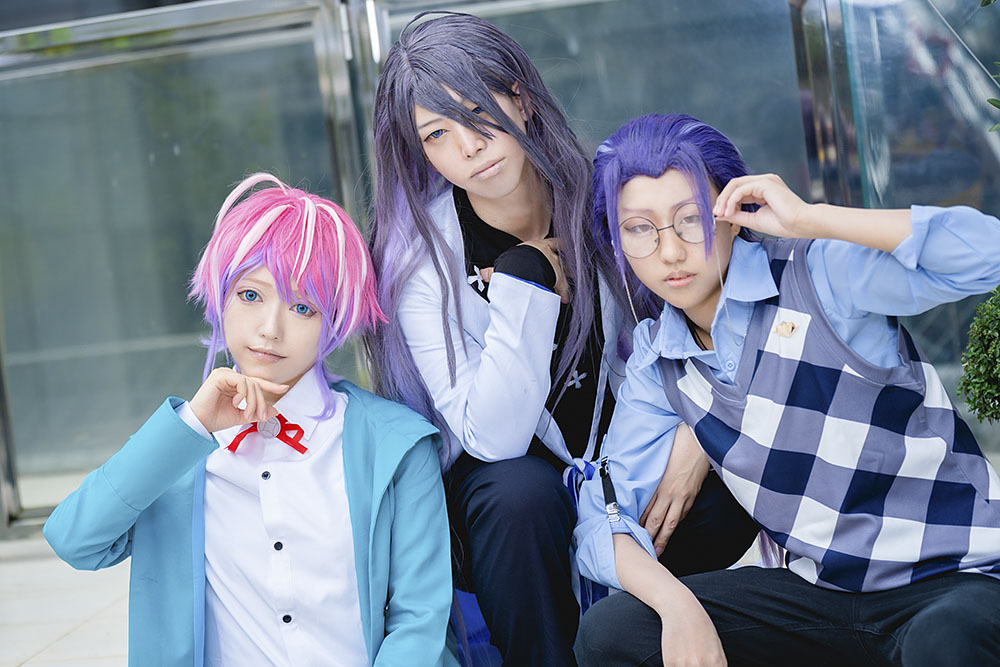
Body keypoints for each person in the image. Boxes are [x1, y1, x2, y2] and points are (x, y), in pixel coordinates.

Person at [366, 13, 759, 665]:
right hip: (506, 504)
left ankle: (655, 640)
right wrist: (527, 281)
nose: (469, 146)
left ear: (520, 97)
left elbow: (715, 309)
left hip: (626, 454)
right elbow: (494, 439)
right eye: (437, 133)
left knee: (728, 474)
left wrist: (700, 432)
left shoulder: (602, 195)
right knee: (520, 494)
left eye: (478, 110)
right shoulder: (419, 261)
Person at [574, 112, 1000, 666]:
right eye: (639, 229)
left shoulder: (819, 275)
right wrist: (678, 606)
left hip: (953, 577)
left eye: (691, 219)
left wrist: (809, 218)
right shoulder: (659, 363)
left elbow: (987, 254)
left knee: (945, 642)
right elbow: (601, 519)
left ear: (731, 213)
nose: (670, 252)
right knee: (614, 632)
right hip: (819, 596)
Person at [43, 173, 456, 667]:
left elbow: (419, 620)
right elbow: (75, 540)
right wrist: (193, 425)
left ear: (335, 319)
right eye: (251, 295)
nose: (269, 329)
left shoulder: (396, 445)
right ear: (220, 296)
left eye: (302, 306)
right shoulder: (178, 451)